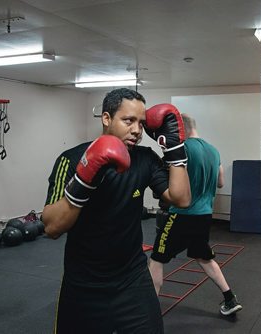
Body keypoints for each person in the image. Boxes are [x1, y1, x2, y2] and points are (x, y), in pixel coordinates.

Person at [42, 89, 191, 334]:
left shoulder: (144, 159)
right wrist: (84, 179)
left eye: (141, 123)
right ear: (106, 118)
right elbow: (52, 228)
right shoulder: (71, 160)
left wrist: (174, 151)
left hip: (133, 280)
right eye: (128, 120)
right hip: (83, 284)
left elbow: (181, 199)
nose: (137, 130)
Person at [148, 113, 243, 316]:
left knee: (157, 258)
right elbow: (220, 183)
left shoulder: (181, 150)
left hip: (181, 215)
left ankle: (149, 309)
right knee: (204, 257)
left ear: (179, 129)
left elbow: (168, 184)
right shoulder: (213, 150)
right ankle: (229, 298)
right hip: (204, 215)